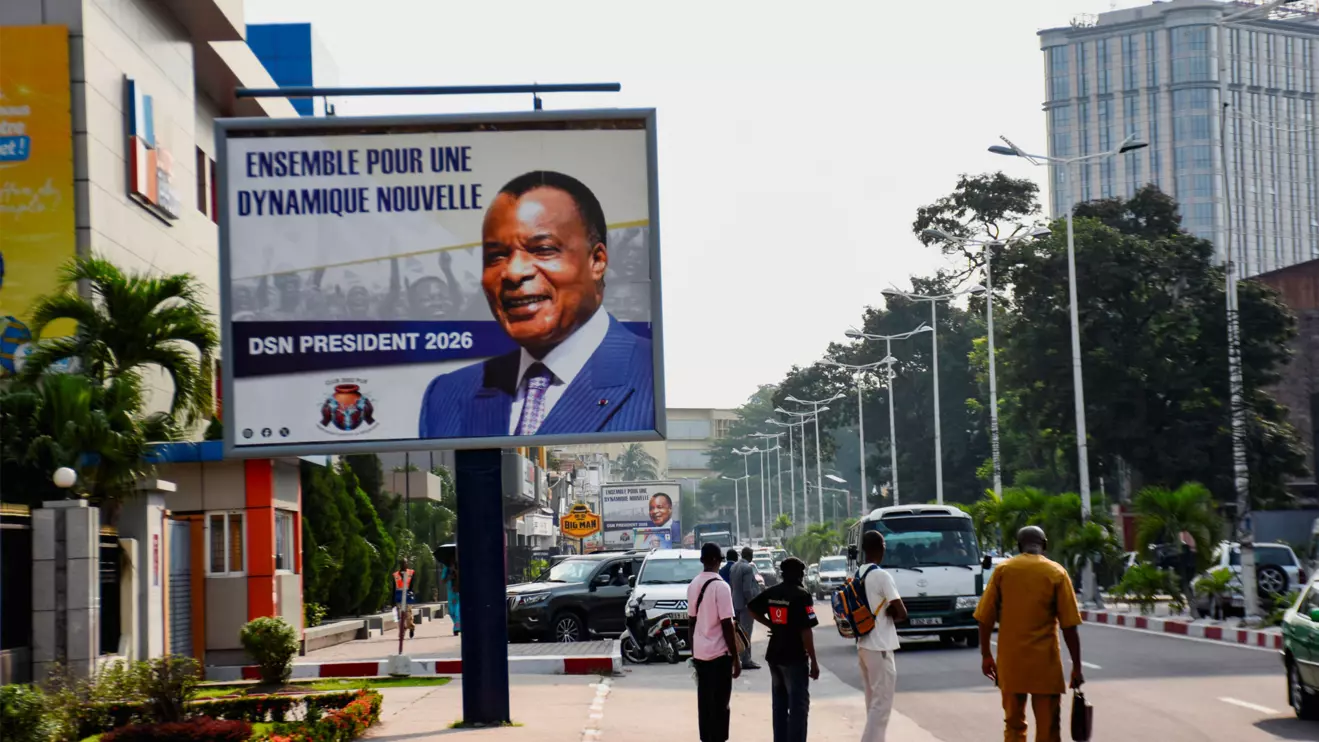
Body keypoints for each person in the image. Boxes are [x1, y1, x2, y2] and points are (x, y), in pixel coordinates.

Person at [418, 171, 654, 438]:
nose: (514, 272)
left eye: (543, 249)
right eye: (496, 256)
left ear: (596, 261)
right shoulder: (446, 396)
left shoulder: (655, 377)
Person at [974, 526, 1084, 742]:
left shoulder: (1003, 571)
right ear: (1045, 545)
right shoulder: (1056, 572)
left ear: (1018, 546)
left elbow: (984, 618)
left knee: (1014, 725)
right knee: (1048, 729)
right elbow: (1069, 626)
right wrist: (1077, 668)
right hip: (1045, 666)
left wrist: (986, 654)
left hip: (1011, 665)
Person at [747, 557, 819, 742]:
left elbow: (752, 609)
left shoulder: (772, 592)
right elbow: (806, 631)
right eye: (801, 573)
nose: (803, 576)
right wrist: (814, 662)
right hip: (794, 656)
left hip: (775, 656)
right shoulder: (802, 595)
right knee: (798, 706)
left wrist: (771, 624)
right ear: (797, 574)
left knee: (779, 704)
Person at [688, 541, 742, 742]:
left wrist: (694, 652)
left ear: (703, 561)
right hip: (720, 655)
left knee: (704, 702)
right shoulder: (721, 587)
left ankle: (706, 738)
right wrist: (736, 658)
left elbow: (691, 622)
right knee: (721, 703)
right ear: (716, 561)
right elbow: (727, 625)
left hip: (701, 654)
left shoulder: (693, 585)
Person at [857, 530, 907, 742]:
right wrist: (892, 611)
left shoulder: (858, 574)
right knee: (882, 705)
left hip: (863, 644)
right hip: (881, 646)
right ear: (882, 547)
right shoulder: (882, 576)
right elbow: (902, 612)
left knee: (872, 703)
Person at [729, 546, 763, 670]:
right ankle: (746, 660)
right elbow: (747, 589)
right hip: (745, 605)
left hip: (735, 603)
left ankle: (738, 657)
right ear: (750, 556)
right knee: (746, 633)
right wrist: (752, 604)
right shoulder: (747, 568)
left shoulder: (734, 567)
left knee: (738, 633)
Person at [437, 551, 461, 636]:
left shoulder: (460, 566)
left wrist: (456, 571)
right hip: (451, 592)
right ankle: (457, 625)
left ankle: (457, 628)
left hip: (459, 591)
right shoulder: (446, 568)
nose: (452, 560)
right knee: (451, 611)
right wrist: (449, 576)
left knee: (458, 610)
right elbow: (443, 580)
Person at [393, 558, 416, 640]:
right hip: (399, 597)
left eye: (405, 563)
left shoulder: (411, 573)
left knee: (408, 615)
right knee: (400, 616)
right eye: (402, 563)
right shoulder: (395, 575)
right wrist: (393, 601)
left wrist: (411, 593)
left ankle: (411, 627)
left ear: (407, 564)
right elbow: (394, 588)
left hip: (408, 596)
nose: (404, 565)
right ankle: (402, 631)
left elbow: (412, 585)